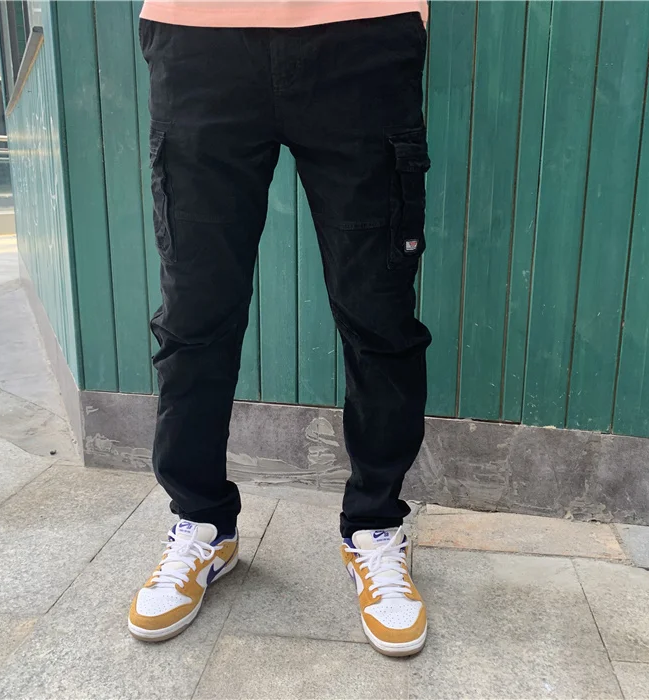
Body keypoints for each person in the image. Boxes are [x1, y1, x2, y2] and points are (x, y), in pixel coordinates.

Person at [128, 0, 432, 657]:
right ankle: (202, 523)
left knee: (378, 315)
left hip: (363, 34)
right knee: (195, 316)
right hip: (198, 37)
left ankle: (376, 527)